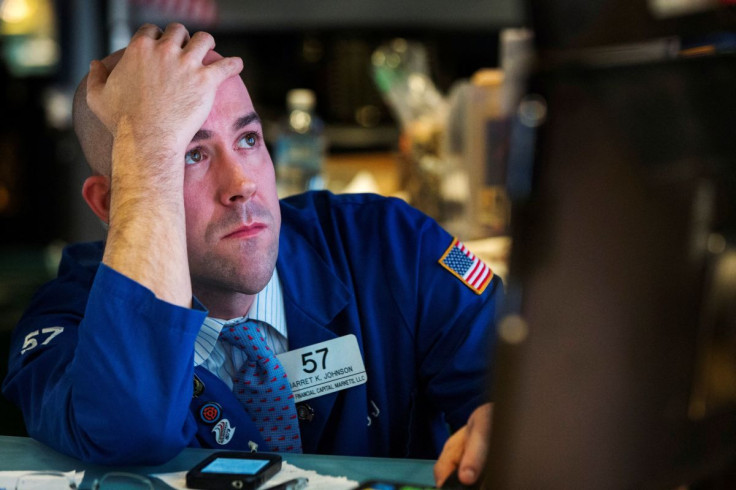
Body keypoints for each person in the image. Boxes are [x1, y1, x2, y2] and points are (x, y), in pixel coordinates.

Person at [1, 23, 501, 486]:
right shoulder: (67, 322)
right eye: (190, 154)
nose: (241, 184)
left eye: (247, 139)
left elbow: (523, 376)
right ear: (112, 202)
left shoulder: (393, 244)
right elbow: (132, 430)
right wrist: (148, 142)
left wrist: (508, 412)